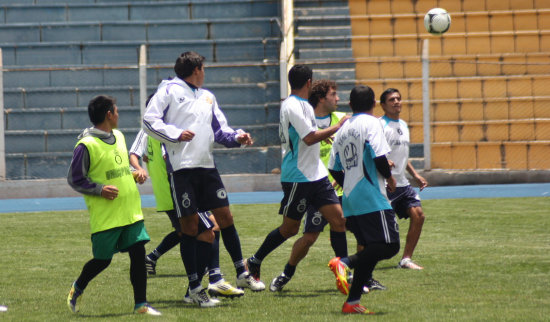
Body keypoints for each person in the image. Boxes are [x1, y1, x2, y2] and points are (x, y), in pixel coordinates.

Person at [143, 51, 263, 307]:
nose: (205, 72)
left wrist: (238, 137)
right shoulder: (168, 90)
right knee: (189, 229)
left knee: (225, 217)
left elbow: (220, 131)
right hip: (182, 170)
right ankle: (195, 288)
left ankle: (242, 273)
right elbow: (148, 120)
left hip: (207, 167)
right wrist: (175, 134)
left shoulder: (208, 96)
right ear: (196, 69)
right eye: (203, 68)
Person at [246, 65, 350, 289]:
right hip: (298, 177)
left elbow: (305, 138)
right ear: (309, 82)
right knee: (290, 229)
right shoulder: (292, 105)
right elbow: (310, 138)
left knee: (338, 220)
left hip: (317, 175)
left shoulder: (304, 105)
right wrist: (337, 127)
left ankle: (345, 272)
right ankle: (254, 260)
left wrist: (324, 137)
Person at [66, 95, 161, 315]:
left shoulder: (118, 135)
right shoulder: (86, 145)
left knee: (138, 252)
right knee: (102, 260)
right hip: (107, 216)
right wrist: (100, 189)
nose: (118, 114)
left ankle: (141, 305)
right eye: (116, 110)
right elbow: (74, 179)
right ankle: (77, 287)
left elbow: (118, 167)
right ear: (109, 114)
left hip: (130, 211)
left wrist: (134, 173)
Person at [129, 129, 244, 300]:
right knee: (207, 230)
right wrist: (140, 168)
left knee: (190, 232)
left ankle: (200, 283)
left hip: (182, 192)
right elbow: (135, 154)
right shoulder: (155, 131)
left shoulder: (168, 128)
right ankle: (211, 280)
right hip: (175, 194)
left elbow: (147, 155)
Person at [327, 85, 400, 314]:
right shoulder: (372, 123)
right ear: (374, 105)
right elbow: (379, 157)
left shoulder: (342, 129)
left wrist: (349, 181)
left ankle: (352, 302)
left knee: (368, 251)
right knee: (390, 246)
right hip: (370, 196)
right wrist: (389, 178)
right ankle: (344, 263)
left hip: (349, 198)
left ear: (350, 105)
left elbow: (334, 168)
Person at [379, 88, 428, 270]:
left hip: (403, 184)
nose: (397, 102)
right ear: (383, 105)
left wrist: (415, 175)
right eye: (392, 99)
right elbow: (375, 154)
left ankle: (406, 259)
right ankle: (361, 260)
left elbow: (402, 156)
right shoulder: (380, 126)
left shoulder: (404, 125)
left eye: (399, 99)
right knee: (380, 230)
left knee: (419, 215)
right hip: (385, 184)